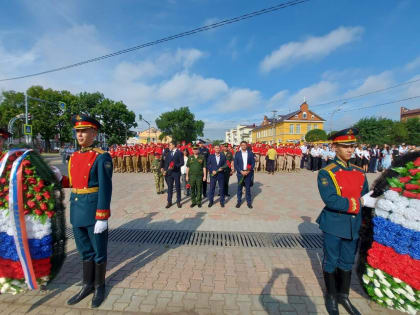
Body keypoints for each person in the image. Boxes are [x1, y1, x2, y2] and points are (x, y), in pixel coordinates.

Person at [51, 115, 112, 308]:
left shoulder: (102, 156)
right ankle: (87, 285)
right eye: (78, 131)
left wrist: (102, 216)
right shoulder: (74, 156)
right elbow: (76, 183)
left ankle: (100, 286)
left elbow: (105, 187)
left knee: (98, 252)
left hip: (94, 211)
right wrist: (61, 179)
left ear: (94, 133)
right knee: (85, 251)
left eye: (84, 131)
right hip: (77, 210)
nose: (80, 134)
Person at [316, 128, 377, 315]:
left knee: (347, 261)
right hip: (334, 224)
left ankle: (344, 295)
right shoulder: (327, 172)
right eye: (345, 146)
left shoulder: (359, 171)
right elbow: (331, 200)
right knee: (331, 261)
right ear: (335, 148)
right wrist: (359, 202)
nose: (350, 150)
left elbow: (366, 196)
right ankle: (331, 297)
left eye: (352, 146)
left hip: (354, 225)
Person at [161, 141, 184, 208]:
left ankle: (178, 201)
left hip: (176, 172)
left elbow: (182, 163)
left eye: (170, 145)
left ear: (174, 145)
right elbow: (166, 163)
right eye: (169, 145)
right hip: (169, 173)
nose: (169, 146)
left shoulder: (179, 153)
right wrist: (165, 170)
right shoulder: (169, 153)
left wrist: (175, 166)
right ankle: (169, 202)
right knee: (170, 188)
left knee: (177, 187)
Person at [234, 141, 255, 209]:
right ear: (240, 146)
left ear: (246, 146)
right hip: (240, 174)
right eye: (242, 145)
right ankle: (239, 202)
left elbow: (253, 163)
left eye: (245, 145)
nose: (243, 146)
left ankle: (249, 202)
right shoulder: (237, 153)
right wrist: (241, 171)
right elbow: (235, 164)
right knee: (239, 188)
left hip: (248, 173)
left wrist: (248, 170)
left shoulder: (250, 153)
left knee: (248, 188)